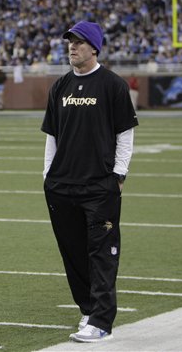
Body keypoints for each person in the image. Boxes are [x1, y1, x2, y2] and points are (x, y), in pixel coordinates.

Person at [41, 21, 138, 343]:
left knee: (102, 253)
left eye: (79, 42)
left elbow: (125, 133)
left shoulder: (113, 85)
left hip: (99, 186)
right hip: (62, 185)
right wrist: (47, 176)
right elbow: (52, 136)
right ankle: (87, 308)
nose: (72, 47)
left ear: (94, 47)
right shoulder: (60, 86)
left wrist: (119, 175)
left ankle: (101, 320)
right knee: (73, 252)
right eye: (70, 41)